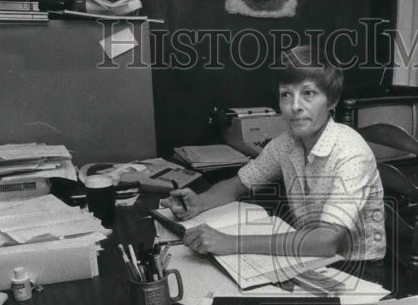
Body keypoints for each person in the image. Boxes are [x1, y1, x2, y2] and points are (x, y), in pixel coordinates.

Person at [165, 45, 386, 282]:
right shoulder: (287, 142)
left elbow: (326, 241)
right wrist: (199, 202)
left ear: (332, 101)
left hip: (356, 270)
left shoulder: (351, 153)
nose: (295, 106)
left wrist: (229, 242)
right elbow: (239, 184)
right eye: (286, 94)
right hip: (309, 258)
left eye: (308, 94)